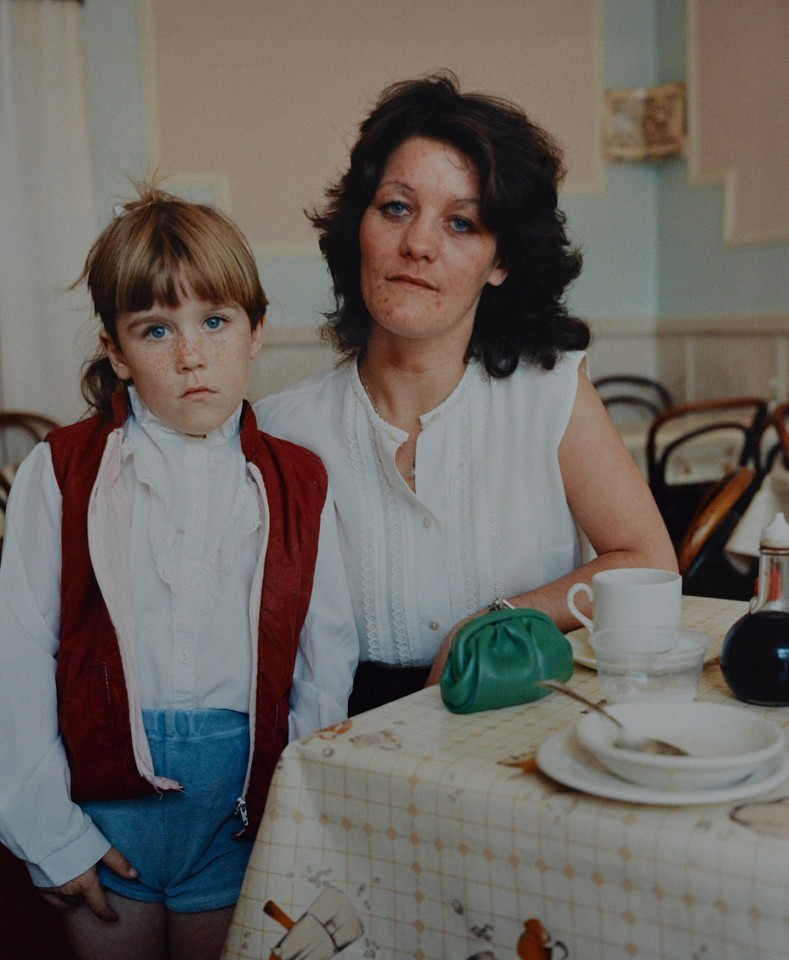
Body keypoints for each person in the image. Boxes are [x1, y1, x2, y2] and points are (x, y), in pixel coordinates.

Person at [0, 184, 358, 960]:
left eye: (215, 321)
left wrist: (293, 820)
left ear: (256, 331)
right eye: (156, 329)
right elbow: (18, 651)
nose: (191, 354)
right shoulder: (60, 472)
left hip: (236, 815)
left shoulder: (299, 481)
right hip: (99, 811)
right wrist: (51, 836)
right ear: (116, 349)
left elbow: (322, 661)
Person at [256, 72, 676, 715]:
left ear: (501, 261)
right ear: (358, 227)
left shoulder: (550, 393)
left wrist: (493, 621)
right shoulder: (282, 429)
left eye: (461, 223)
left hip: (523, 722)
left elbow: (649, 562)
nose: (418, 244)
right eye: (396, 207)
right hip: (340, 737)